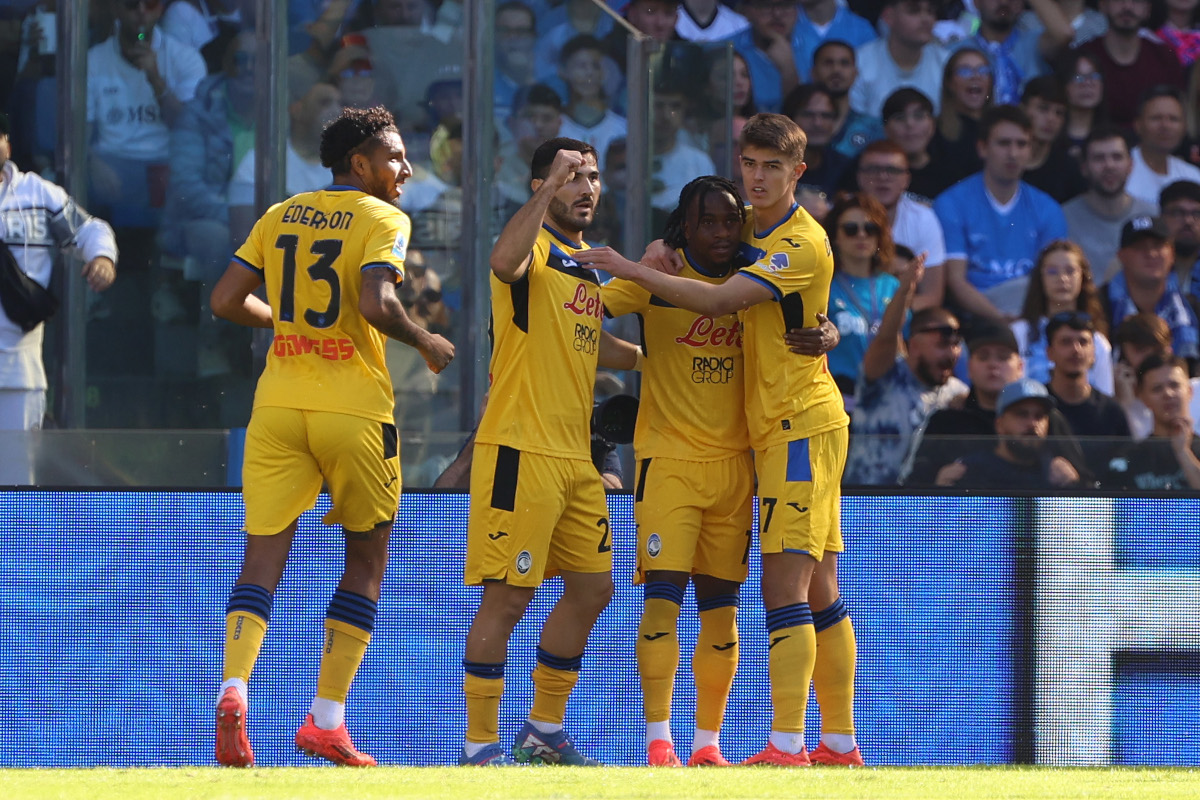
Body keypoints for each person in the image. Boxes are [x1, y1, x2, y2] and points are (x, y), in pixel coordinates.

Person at [579, 113, 862, 767]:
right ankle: (839, 742)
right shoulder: (752, 237)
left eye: (773, 167)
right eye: (751, 165)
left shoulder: (796, 242)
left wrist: (632, 265)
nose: (758, 179)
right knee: (819, 583)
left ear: (799, 172)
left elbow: (719, 303)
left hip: (798, 425)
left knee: (785, 585)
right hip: (770, 432)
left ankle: (787, 745)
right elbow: (808, 305)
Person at [208, 105, 455, 768]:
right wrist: (425, 338)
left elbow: (226, 300)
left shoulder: (280, 212)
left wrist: (288, 323)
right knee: (367, 559)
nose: (405, 169)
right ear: (359, 165)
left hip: (279, 405)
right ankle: (326, 720)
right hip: (353, 409)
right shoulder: (383, 218)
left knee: (262, 559)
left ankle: (235, 689)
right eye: (395, 157)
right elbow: (377, 303)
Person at [460, 137, 633, 767]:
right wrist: (541, 191)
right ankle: (480, 746)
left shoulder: (586, 262)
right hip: (521, 450)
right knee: (508, 597)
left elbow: (593, 339)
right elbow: (502, 262)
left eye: (591, 177)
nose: (586, 188)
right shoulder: (528, 245)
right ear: (543, 186)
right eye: (570, 177)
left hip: (575, 457)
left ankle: (543, 729)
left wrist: (649, 359)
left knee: (593, 588)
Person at [603, 176, 756, 768]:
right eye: (707, 222)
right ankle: (658, 739)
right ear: (684, 228)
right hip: (667, 465)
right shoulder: (653, 280)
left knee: (722, 608)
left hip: (735, 470)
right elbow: (582, 318)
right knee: (663, 601)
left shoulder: (757, 280)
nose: (721, 232)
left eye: (729, 220)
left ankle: (708, 743)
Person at [0, 112, 118, 443]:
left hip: (18, 368)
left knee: (16, 483)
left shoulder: (36, 194)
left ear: (7, 145)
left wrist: (102, 258)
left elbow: (90, 229)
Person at [935, 104, 1067, 323]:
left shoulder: (1048, 209)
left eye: (1022, 144)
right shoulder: (951, 204)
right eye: (1004, 143)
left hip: (1031, 316)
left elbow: (1054, 279)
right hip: (974, 319)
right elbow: (955, 281)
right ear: (983, 148)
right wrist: (1000, 321)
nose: (1013, 153)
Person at [824, 192, 901, 407]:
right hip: (838, 400)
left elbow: (902, 345)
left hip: (885, 399)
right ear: (835, 236)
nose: (861, 235)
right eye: (850, 229)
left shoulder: (893, 286)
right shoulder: (825, 287)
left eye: (870, 229)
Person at [937, 377, 1083, 488]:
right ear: (999, 424)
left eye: (1039, 416)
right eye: (1022, 414)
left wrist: (1074, 486)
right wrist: (941, 493)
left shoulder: (1056, 474)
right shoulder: (970, 471)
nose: (1032, 424)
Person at [853, 139, 947, 310]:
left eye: (893, 170)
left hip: (904, 315)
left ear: (906, 179)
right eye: (874, 169)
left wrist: (887, 317)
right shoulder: (842, 217)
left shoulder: (923, 219)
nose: (883, 177)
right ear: (859, 176)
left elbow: (932, 296)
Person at [1011, 240, 1113, 392]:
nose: (1062, 278)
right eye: (1052, 271)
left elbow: (1105, 399)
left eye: (1070, 271)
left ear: (1083, 277)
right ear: (1040, 278)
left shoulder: (1098, 343)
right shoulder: (1019, 333)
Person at [1102, 214, 1200, 368]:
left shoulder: (1193, 308)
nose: (1151, 254)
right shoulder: (1097, 305)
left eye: (1158, 245)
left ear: (1172, 254)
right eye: (1140, 247)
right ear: (1121, 256)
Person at [1062, 127, 1157, 285]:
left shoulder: (1152, 216)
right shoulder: (1063, 218)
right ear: (1084, 168)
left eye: (1117, 157)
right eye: (1099, 158)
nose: (1109, 165)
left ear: (1130, 166)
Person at [1042, 310, 1130, 472]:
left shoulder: (1111, 411)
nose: (1076, 350)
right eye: (1066, 342)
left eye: (1083, 342)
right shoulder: (1038, 408)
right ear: (1050, 353)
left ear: (1094, 353)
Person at [1074, 0, 1185, 128]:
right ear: (1103, 5)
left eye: (1136, 1)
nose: (1127, 6)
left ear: (1147, 9)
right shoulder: (1084, 57)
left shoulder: (1165, 58)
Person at [1105, 353, 1200, 489]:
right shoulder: (1131, 458)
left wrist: (1183, 452)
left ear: (1189, 391)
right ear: (1143, 398)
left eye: (1174, 385)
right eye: (1157, 389)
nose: (1168, 393)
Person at [957, 0, 1072, 106]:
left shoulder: (1035, 43)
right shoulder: (957, 51)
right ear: (976, 2)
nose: (1004, 2)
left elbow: (1064, 34)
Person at [849, 0, 948, 119]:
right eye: (914, 11)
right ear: (888, 17)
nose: (925, 19)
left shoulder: (946, 62)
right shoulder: (859, 63)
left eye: (930, 11)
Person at [1125, 86, 1200, 211]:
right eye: (1156, 118)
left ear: (1184, 127)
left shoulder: (1193, 176)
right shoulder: (1119, 170)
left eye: (1173, 119)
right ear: (1138, 125)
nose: (1165, 126)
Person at [809, 40, 884, 159]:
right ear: (813, 72)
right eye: (828, 63)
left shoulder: (872, 128)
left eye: (844, 63)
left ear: (855, 73)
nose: (836, 70)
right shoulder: (799, 125)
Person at [930, 47, 992, 186]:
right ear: (949, 83)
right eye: (965, 71)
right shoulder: (934, 131)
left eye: (983, 70)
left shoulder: (1000, 128)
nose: (976, 76)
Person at [1019, 75, 1087, 202]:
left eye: (1059, 113)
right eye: (1043, 109)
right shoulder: (1003, 160)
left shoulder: (1069, 169)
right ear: (1023, 110)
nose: (1051, 119)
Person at [1162, 180, 1200, 299]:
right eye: (1178, 212)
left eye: (1197, 213)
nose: (1188, 221)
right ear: (1161, 217)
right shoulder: (1141, 262)